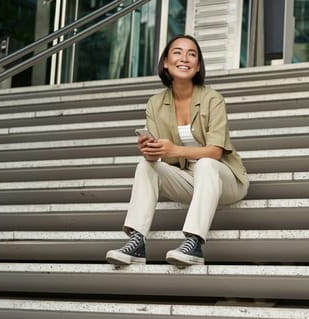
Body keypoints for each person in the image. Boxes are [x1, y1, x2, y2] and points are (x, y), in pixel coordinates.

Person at [106, 35, 249, 267]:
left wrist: (174, 149)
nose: (184, 58)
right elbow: (160, 155)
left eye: (192, 54)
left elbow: (214, 152)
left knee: (205, 163)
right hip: (188, 181)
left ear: (198, 66)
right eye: (177, 52)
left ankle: (193, 243)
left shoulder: (213, 99)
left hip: (225, 181)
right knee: (145, 166)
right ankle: (137, 242)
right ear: (165, 62)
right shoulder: (154, 103)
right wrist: (150, 150)